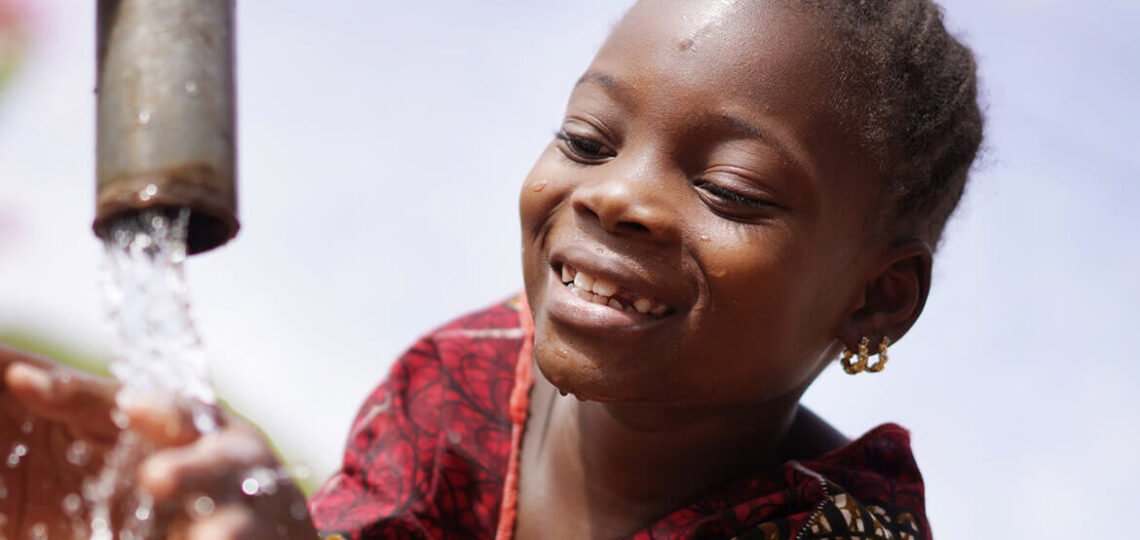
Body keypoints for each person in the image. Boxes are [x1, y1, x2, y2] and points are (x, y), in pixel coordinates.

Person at [0, 0, 982, 538]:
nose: (616, 196)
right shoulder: (461, 382)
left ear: (876, 298)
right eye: (588, 140)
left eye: (729, 188)